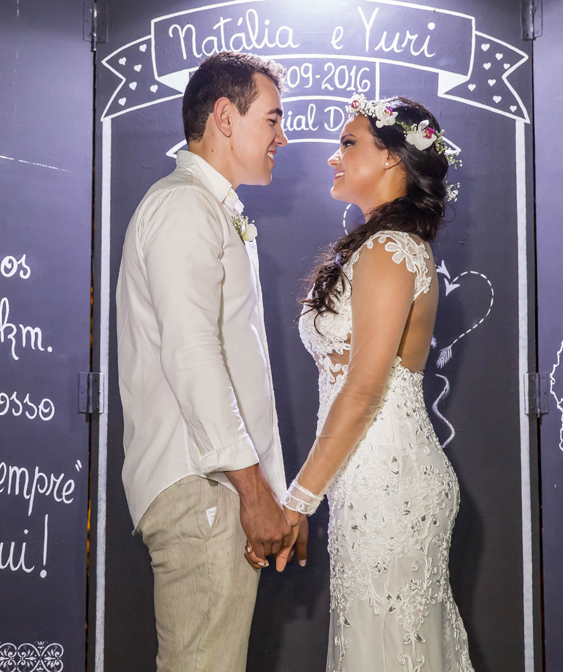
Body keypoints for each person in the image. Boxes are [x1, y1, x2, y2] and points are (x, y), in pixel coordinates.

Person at [115, 51, 307, 672]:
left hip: (215, 486)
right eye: (272, 119)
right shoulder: (182, 207)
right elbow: (194, 355)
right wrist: (252, 493)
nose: (283, 136)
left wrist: (270, 495)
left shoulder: (204, 207)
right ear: (225, 117)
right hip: (203, 488)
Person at [283, 95, 475, 671]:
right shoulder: (379, 246)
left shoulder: (391, 250)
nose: (332, 158)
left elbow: (365, 388)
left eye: (348, 144)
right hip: (366, 482)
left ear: (393, 159)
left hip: (389, 484)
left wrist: (298, 500)